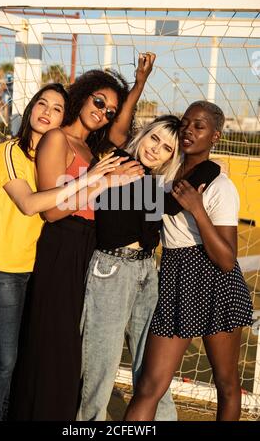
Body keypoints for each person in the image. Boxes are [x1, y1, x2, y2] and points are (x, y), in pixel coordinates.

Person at [8, 58, 156, 421]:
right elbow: (52, 211)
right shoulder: (58, 139)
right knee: (54, 344)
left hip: (91, 250)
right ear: (83, 97)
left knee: (74, 347)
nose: (104, 112)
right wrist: (101, 181)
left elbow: (122, 129)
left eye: (110, 110)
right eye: (99, 102)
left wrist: (139, 84)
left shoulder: (96, 150)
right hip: (62, 245)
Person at [0, 82, 124, 421]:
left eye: (57, 108)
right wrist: (94, 180)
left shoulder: (53, 152)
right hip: (4, 267)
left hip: (36, 264)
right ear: (31, 109)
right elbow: (32, 206)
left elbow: (114, 133)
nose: (48, 113)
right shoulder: (11, 151)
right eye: (42, 104)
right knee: (6, 358)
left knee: (30, 350)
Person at [77, 114, 221, 421]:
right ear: (142, 134)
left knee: (153, 365)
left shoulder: (153, 181)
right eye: (154, 138)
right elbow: (167, 204)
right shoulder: (118, 162)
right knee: (101, 365)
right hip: (111, 270)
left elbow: (167, 201)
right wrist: (208, 166)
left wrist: (208, 165)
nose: (156, 149)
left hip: (146, 271)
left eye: (167, 148)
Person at [124, 101, 253, 422]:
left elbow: (226, 259)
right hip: (175, 278)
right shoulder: (163, 178)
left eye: (200, 126)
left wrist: (196, 208)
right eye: (185, 123)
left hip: (217, 284)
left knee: (226, 385)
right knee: (149, 386)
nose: (189, 130)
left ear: (215, 136)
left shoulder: (221, 187)